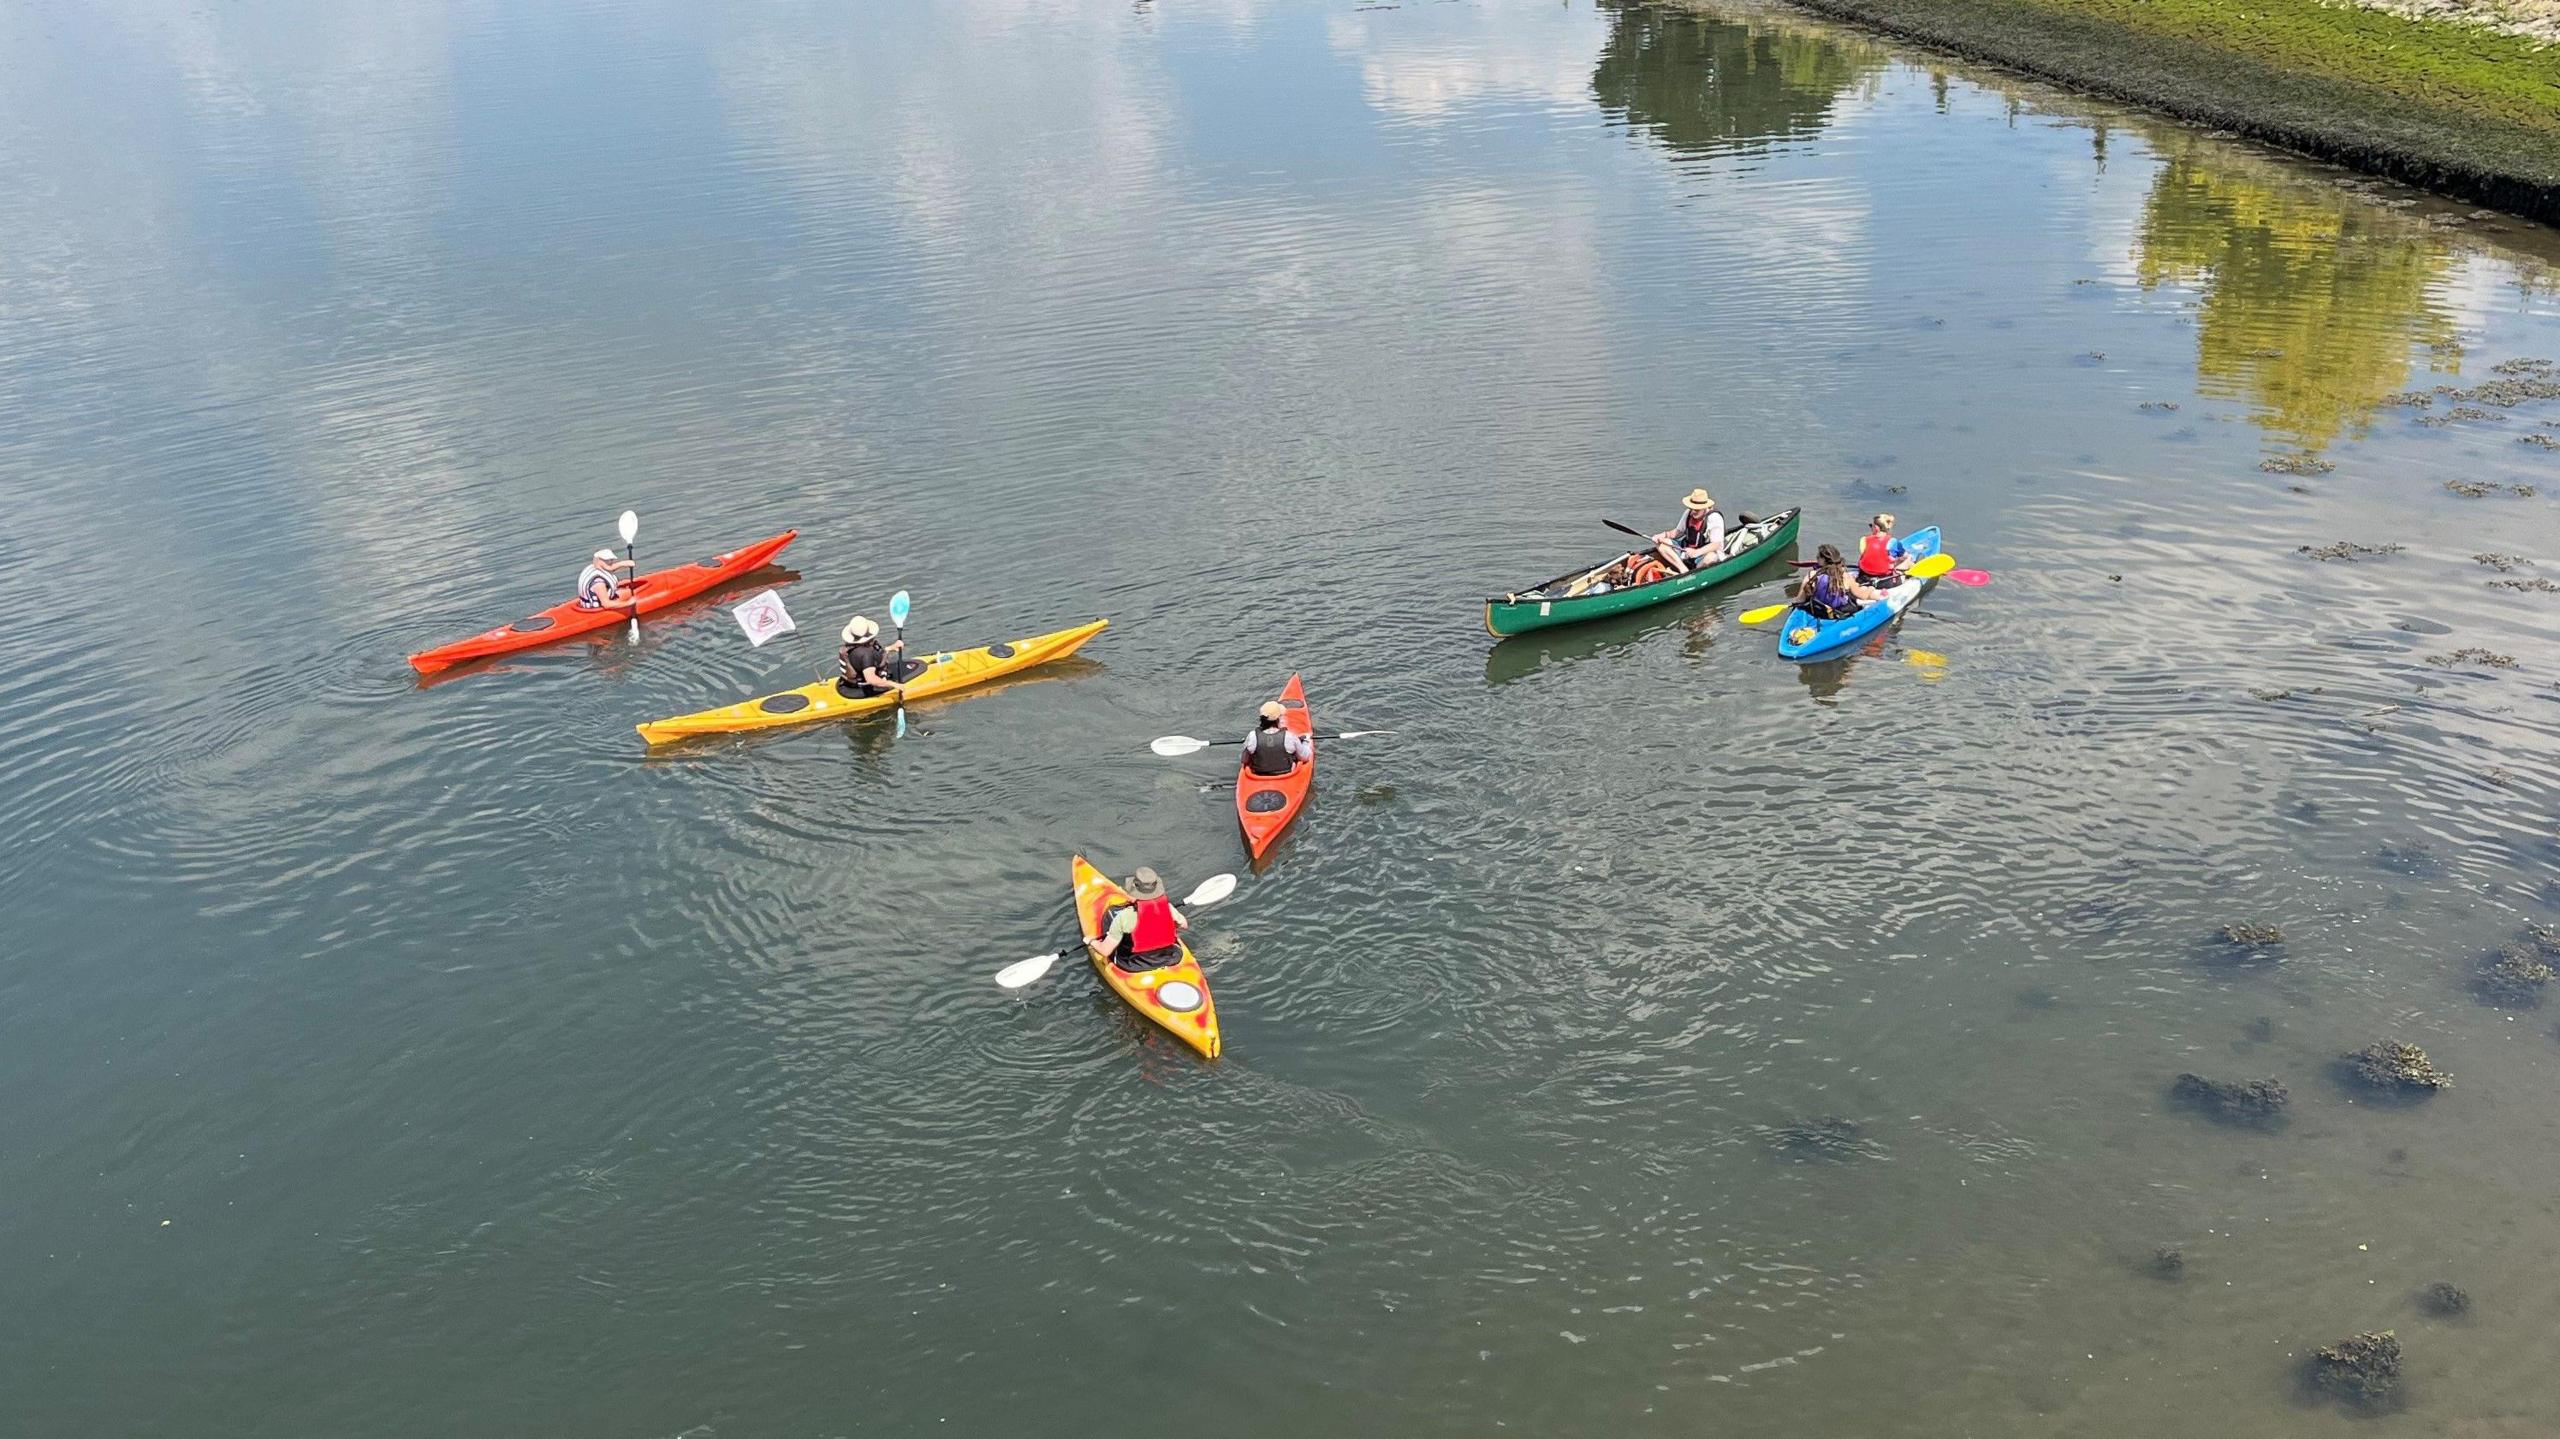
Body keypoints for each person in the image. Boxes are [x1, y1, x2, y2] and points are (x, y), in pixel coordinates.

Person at [1096, 867, 1188, 969]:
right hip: (1171, 957)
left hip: (1136, 964)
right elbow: (1184, 925)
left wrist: (1091, 942)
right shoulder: (1168, 907)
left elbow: (1105, 951)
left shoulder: (1124, 916)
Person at [1796, 543, 1883, 620]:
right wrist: (1870, 589)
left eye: (1818, 557)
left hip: (1818, 611)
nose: (1816, 559)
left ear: (1824, 560)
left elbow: (1800, 600)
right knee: (1855, 597)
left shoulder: (1811, 575)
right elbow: (1863, 595)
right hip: (1838, 613)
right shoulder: (1845, 577)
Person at [1653, 488, 1725, 575]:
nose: (1692, 512)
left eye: (1697, 510)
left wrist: (1696, 552)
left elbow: (1717, 545)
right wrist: (1663, 535)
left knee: (1711, 557)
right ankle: (1683, 569)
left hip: (1702, 554)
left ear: (1705, 508)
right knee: (1661, 544)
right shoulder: (1688, 512)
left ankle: (1697, 573)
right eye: (1691, 508)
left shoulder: (1714, 518)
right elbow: (1678, 532)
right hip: (1686, 550)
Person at [835, 615, 909, 697]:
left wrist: (891, 648)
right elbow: (871, 679)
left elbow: (873, 656)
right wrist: (894, 685)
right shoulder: (866, 654)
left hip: (848, 683)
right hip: (866, 686)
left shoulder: (852, 647)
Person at [1243, 700, 1311, 777]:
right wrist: (1305, 741)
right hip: (1285, 774)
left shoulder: (1252, 736)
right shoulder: (1289, 736)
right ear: (1278, 719)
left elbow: (1244, 760)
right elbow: (1304, 757)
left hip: (1259, 774)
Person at [1857, 512, 1904, 586]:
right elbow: (1903, 557)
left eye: (1871, 526)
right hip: (1884, 581)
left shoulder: (1864, 540)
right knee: (1907, 560)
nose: (1870, 528)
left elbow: (1868, 556)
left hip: (1863, 578)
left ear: (1876, 528)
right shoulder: (1894, 542)